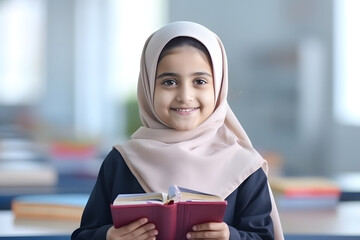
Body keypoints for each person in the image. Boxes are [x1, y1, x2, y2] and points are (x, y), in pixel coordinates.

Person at [71, 21, 284, 240]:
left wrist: (231, 237)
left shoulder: (245, 166)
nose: (185, 95)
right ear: (147, 86)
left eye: (199, 81)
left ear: (218, 87)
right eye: (169, 82)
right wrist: (108, 237)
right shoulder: (121, 161)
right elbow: (83, 235)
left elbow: (262, 236)